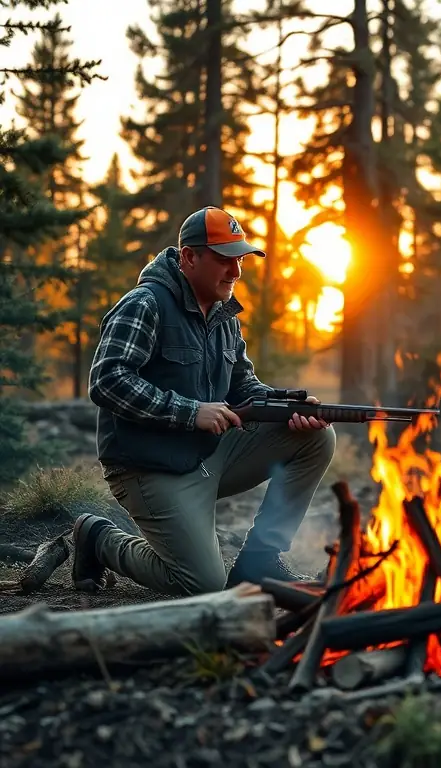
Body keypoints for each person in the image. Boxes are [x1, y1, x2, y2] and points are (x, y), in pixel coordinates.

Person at [73, 206, 337, 597]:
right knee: (202, 583)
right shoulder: (145, 304)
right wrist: (191, 412)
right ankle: (98, 538)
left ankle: (260, 559)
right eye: (225, 260)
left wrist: (288, 406)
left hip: (204, 456)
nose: (236, 272)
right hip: (148, 466)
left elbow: (243, 386)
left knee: (318, 437)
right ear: (189, 257)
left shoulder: (225, 317)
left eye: (240, 260)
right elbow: (107, 380)